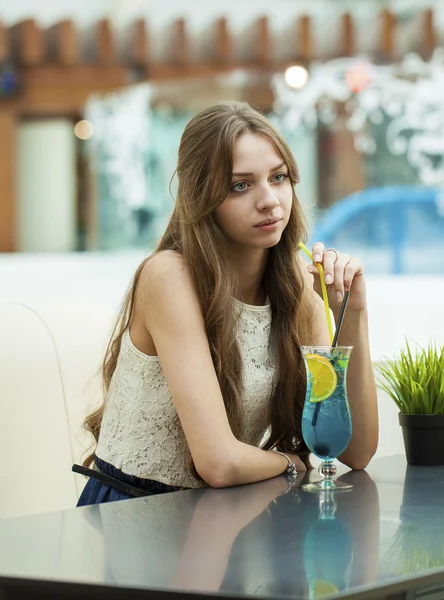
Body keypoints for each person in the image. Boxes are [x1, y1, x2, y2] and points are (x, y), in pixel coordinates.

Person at [74, 101, 378, 505]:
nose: (269, 200)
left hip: (221, 515)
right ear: (203, 197)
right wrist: (293, 463)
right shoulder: (169, 277)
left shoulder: (295, 290)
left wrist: (352, 311)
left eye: (279, 177)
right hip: (134, 513)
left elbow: (355, 452)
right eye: (240, 185)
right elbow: (218, 463)